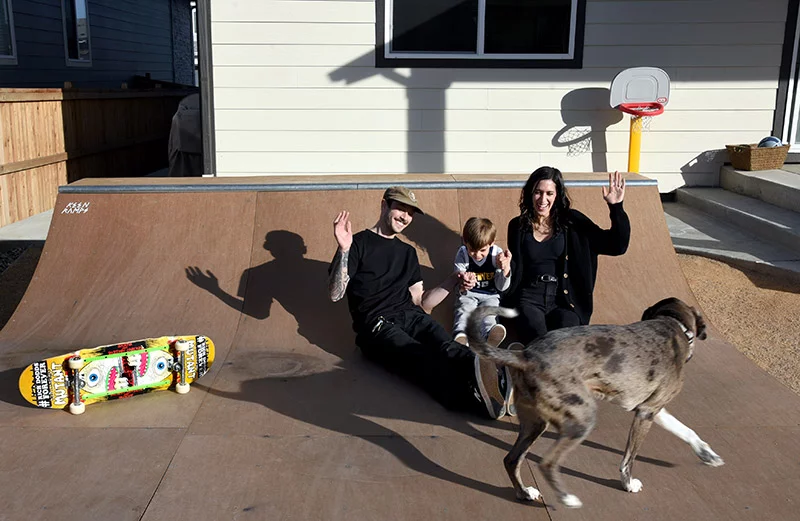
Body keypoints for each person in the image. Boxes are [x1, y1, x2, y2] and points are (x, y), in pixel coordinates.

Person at [328, 186, 512, 419]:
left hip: (412, 316)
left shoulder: (407, 253)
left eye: (410, 212)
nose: (405, 217)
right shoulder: (356, 244)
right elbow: (335, 293)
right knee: (421, 358)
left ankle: (504, 378)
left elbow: (422, 303)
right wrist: (343, 250)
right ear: (384, 205)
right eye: (400, 209)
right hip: (377, 325)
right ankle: (479, 402)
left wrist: (454, 280)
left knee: (450, 348)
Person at [505, 167, 630, 342]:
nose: (543, 199)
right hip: (529, 298)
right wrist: (504, 268)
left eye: (549, 193)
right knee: (538, 339)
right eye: (538, 192)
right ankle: (520, 363)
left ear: (557, 196)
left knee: (565, 340)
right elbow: (516, 268)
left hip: (564, 300)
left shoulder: (573, 222)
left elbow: (616, 246)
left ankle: (525, 363)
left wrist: (616, 208)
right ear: (530, 193)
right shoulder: (517, 226)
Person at [452, 217, 512, 347]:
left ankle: (490, 335)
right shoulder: (463, 253)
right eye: (472, 250)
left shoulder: (497, 255)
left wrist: (505, 268)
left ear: (491, 243)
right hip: (469, 294)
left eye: (482, 251)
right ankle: (461, 336)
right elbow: (457, 276)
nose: (477, 255)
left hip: (490, 295)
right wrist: (464, 279)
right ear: (465, 242)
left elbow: (502, 287)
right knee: (464, 311)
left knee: (489, 315)